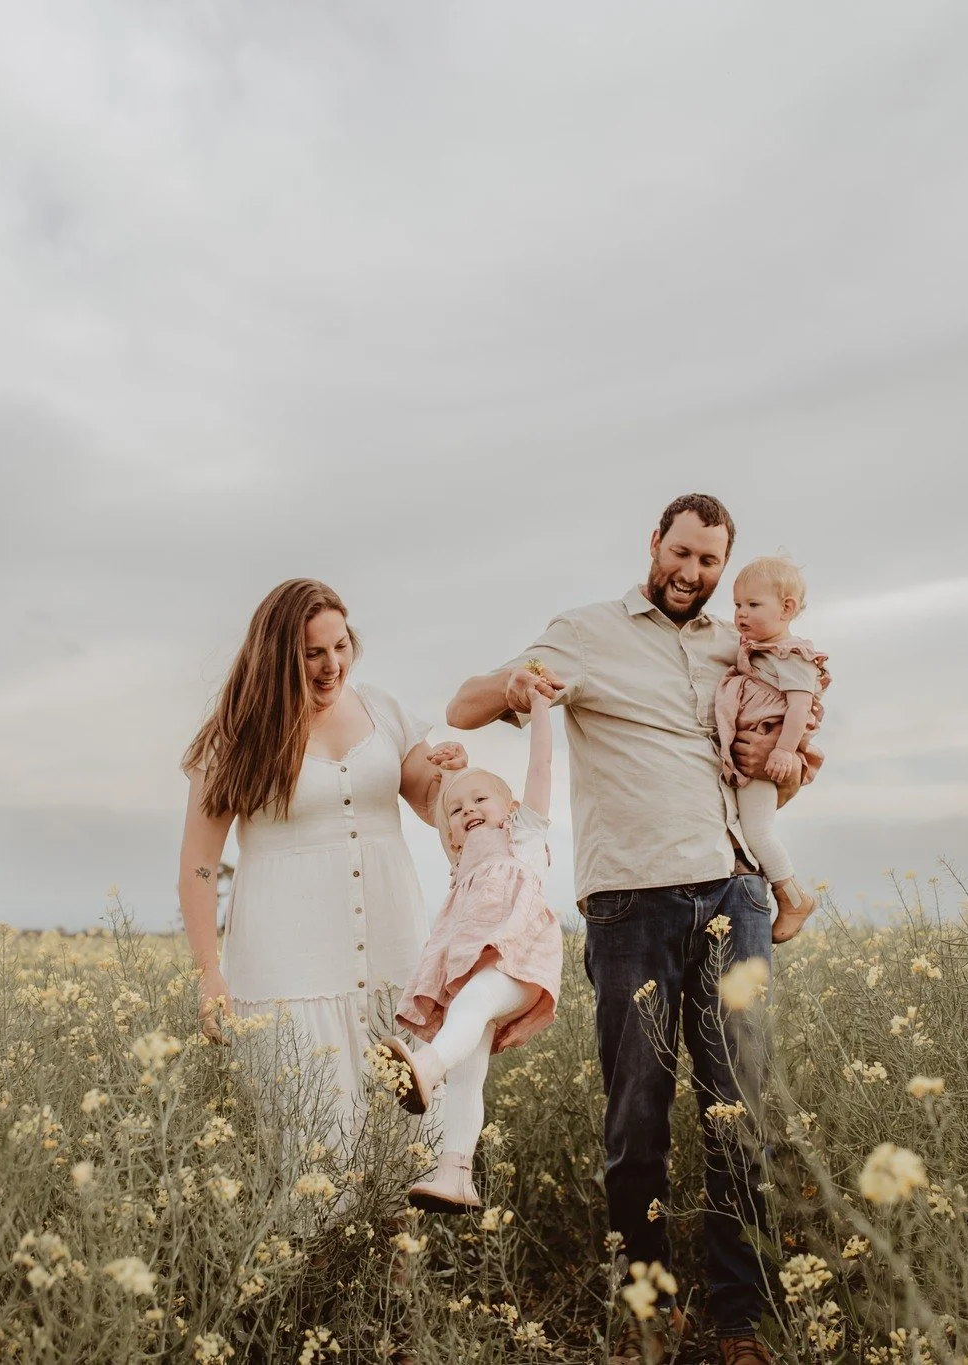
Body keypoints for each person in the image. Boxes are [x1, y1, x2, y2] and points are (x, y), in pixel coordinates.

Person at [447, 494, 803, 1365]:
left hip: (733, 894)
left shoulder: (737, 644)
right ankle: (651, 1311)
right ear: (654, 544)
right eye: (681, 553)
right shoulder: (585, 631)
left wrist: (780, 766)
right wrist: (516, 687)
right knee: (637, 1117)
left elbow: (773, 752)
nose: (692, 574)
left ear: (726, 566)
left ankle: (740, 1322)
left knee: (739, 1115)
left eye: (710, 562)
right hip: (630, 905)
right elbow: (463, 706)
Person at [177, 578, 466, 1150]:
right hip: (289, 971)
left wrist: (456, 777)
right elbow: (198, 865)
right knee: (316, 1154)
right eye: (313, 653)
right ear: (279, 656)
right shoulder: (236, 736)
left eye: (341, 645)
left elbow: (437, 807)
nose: (332, 665)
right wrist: (209, 973)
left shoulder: (382, 710)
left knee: (411, 1149)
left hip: (394, 957)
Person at [382, 680, 563, 1214]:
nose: (468, 811)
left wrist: (540, 710)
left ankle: (425, 1068)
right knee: (470, 1071)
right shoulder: (461, 861)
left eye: (482, 800)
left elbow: (542, 769)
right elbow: (448, 811)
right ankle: (454, 1174)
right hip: (473, 966)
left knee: (476, 1003)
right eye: (457, 810)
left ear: (509, 808)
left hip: (518, 961)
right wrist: (455, 776)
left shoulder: (521, 836)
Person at [715, 553, 830, 942]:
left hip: (765, 757)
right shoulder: (757, 651)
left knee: (758, 831)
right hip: (747, 756)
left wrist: (782, 750)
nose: (741, 614)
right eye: (736, 605)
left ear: (787, 609)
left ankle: (793, 896)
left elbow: (799, 707)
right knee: (747, 827)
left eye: (752, 605)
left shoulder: (792, 655)